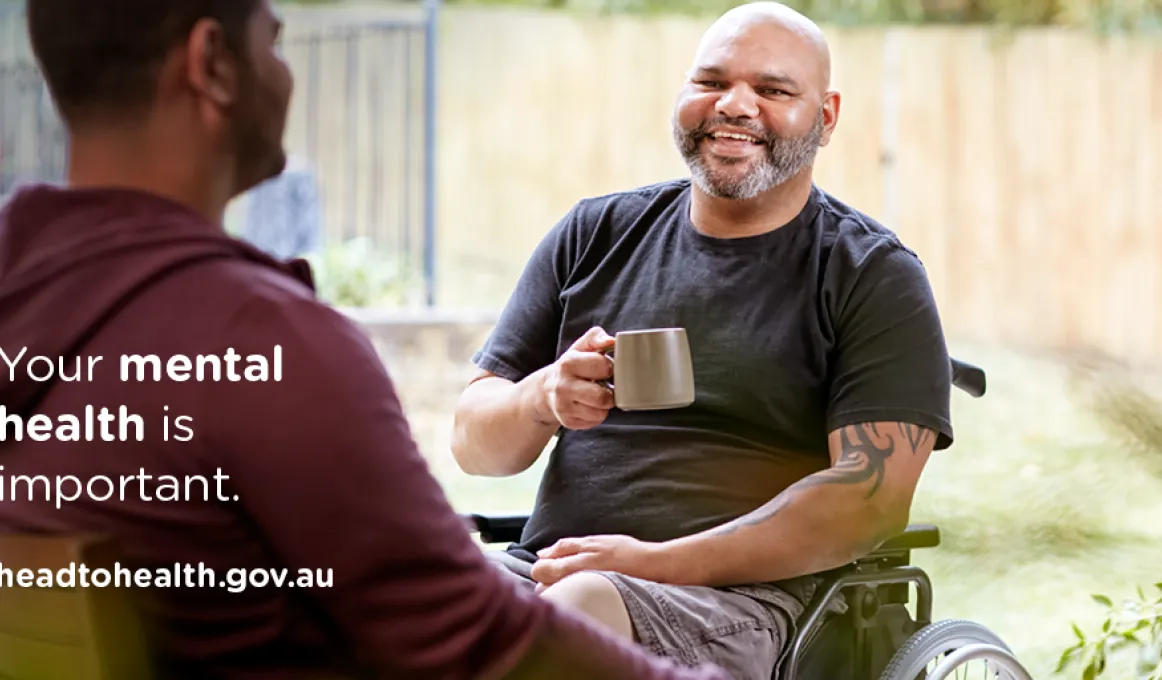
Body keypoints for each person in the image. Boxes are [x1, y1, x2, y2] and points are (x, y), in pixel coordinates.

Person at [0, 1, 730, 679]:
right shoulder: (263, 344)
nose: (285, 75)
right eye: (273, 44)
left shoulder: (30, 286)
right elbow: (493, 648)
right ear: (213, 62)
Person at [450, 2, 954, 678]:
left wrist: (649, 562)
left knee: (573, 613)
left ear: (826, 116)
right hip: (552, 573)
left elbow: (867, 505)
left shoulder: (869, 274)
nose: (734, 106)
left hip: (742, 607)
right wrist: (543, 396)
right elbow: (472, 445)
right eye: (711, 82)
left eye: (773, 90)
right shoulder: (593, 234)